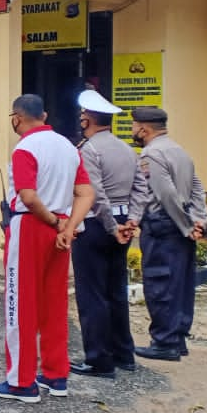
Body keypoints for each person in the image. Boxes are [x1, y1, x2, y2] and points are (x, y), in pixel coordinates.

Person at [0, 94, 93, 404]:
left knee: (19, 302)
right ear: (44, 115)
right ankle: (55, 374)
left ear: (16, 118)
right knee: (54, 303)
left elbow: (29, 197)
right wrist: (68, 226)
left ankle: (21, 382)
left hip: (32, 226)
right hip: (61, 228)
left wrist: (52, 223)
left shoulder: (25, 149)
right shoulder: (69, 147)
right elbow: (86, 193)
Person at [120, 107, 207, 361]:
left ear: (144, 129)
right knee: (181, 283)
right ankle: (177, 338)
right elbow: (197, 187)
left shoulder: (151, 153)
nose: (133, 130)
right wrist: (199, 220)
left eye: (134, 125)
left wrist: (186, 225)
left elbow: (165, 193)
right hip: (183, 223)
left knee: (160, 283)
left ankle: (165, 342)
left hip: (164, 225)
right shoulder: (179, 150)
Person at [69, 91, 139, 377]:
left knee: (92, 294)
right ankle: (124, 354)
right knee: (116, 290)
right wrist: (131, 221)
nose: (80, 118)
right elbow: (141, 190)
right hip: (123, 222)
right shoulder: (126, 149)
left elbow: (95, 195)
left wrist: (112, 227)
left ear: (87, 118)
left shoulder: (88, 150)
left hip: (98, 225)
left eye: (82, 114)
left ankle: (99, 359)